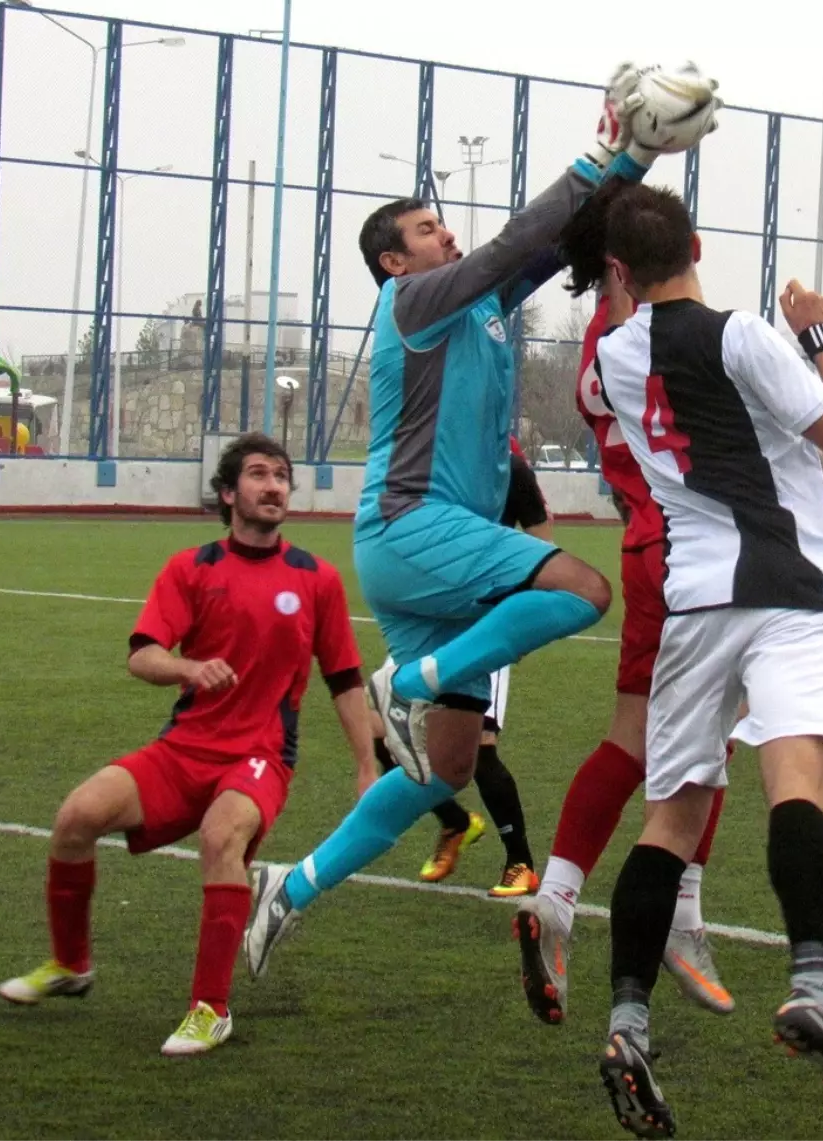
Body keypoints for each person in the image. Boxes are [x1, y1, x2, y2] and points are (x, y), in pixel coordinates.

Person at [244, 64, 722, 981]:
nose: (445, 233)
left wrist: (633, 161)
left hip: (432, 544)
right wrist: (604, 147)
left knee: (443, 768)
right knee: (583, 589)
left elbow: (548, 249)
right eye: (427, 229)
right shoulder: (412, 304)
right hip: (413, 526)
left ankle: (289, 888)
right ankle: (411, 677)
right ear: (393, 261)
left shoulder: (477, 306)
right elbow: (512, 246)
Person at [588, 183, 823, 1133]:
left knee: (669, 822)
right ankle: (813, 984)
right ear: (700, 245)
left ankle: (627, 1025)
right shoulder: (749, 335)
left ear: (619, 273)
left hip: (691, 602)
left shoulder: (612, 352)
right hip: (787, 590)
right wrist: (819, 336)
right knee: (797, 777)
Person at [0, 434, 376, 1056]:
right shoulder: (190, 568)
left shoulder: (316, 579)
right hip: (185, 747)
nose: (274, 485)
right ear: (228, 493)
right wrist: (189, 669)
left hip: (261, 755)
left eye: (282, 475)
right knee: (75, 818)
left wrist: (366, 767)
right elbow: (142, 656)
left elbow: (344, 679)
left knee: (222, 835)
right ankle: (71, 965)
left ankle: (210, 1009)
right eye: (258, 474)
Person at [513, 262, 734, 1028]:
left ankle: (559, 896)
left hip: (645, 548)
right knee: (713, 741)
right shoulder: (663, 338)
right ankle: (682, 914)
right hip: (700, 554)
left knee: (631, 735)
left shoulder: (598, 350)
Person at [373, 440, 553, 897]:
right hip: (430, 622)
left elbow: (542, 545)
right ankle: (454, 822)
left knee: (480, 748)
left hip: (484, 626)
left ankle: (521, 863)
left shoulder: (510, 468)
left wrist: (518, 614)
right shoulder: (431, 465)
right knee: (379, 727)